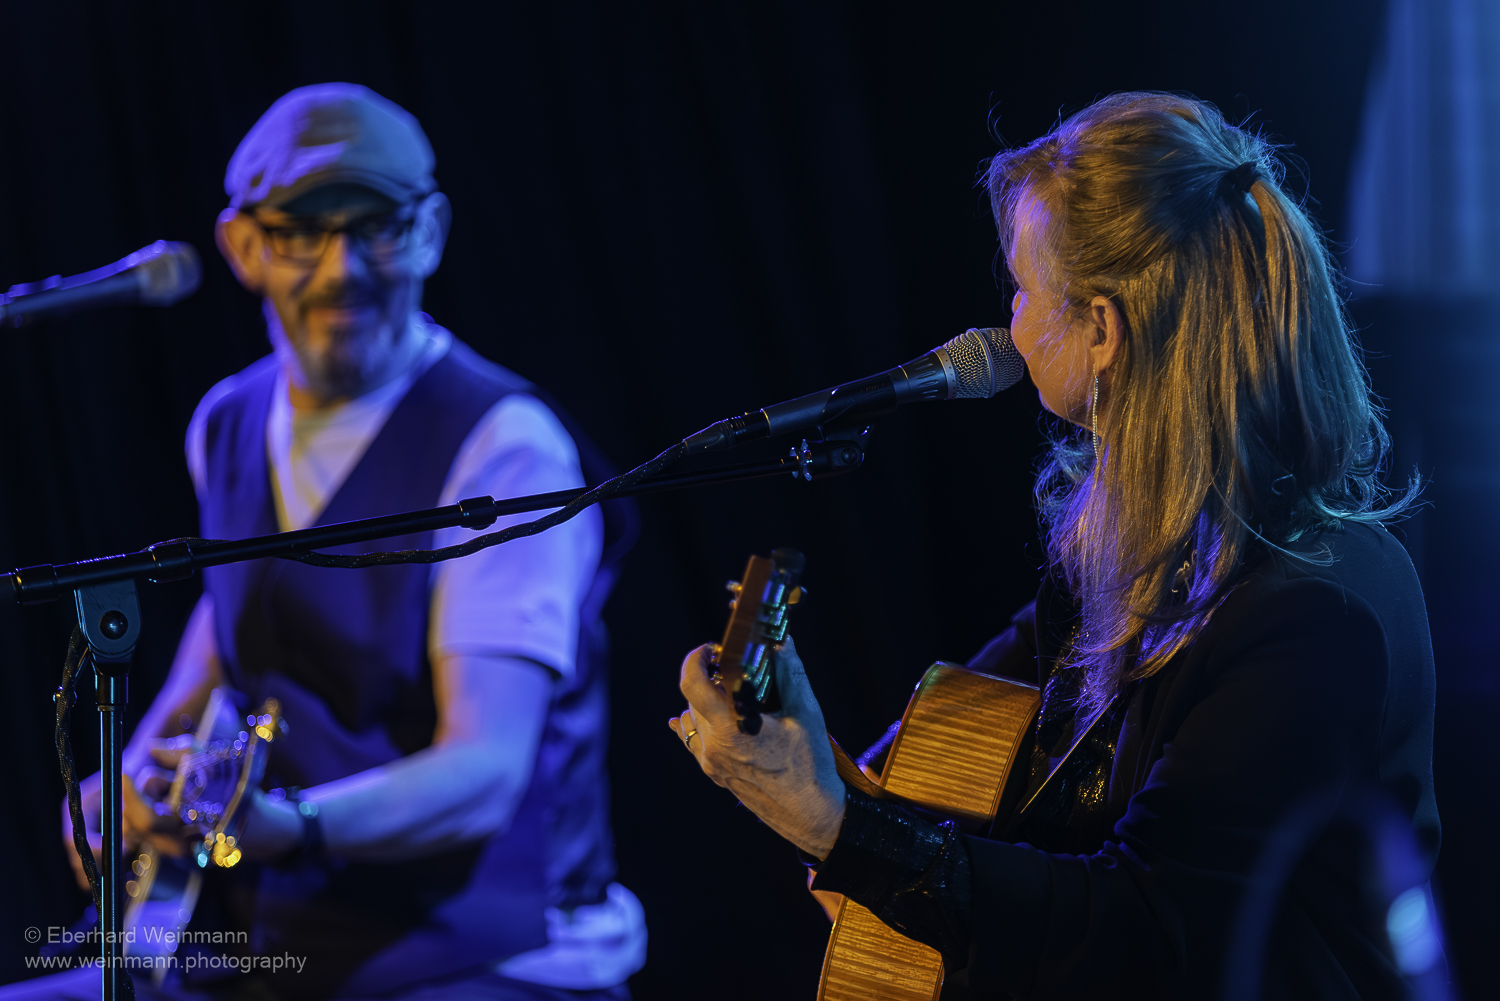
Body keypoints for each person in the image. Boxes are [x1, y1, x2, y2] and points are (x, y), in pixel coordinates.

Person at [670, 93, 1438, 999]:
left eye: (1026, 289)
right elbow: (964, 725)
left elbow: (1148, 932)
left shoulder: (1314, 619)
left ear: (1102, 329)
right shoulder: (1137, 537)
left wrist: (838, 826)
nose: (1010, 319)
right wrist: (823, 776)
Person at [12, 83, 645, 1001]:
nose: (343, 269)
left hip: (479, 954)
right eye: (303, 231)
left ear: (430, 233)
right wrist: (136, 769)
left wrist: (293, 826)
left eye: (377, 228)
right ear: (243, 246)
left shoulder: (504, 445)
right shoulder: (227, 420)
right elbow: (235, 627)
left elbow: (485, 766)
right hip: (276, 939)